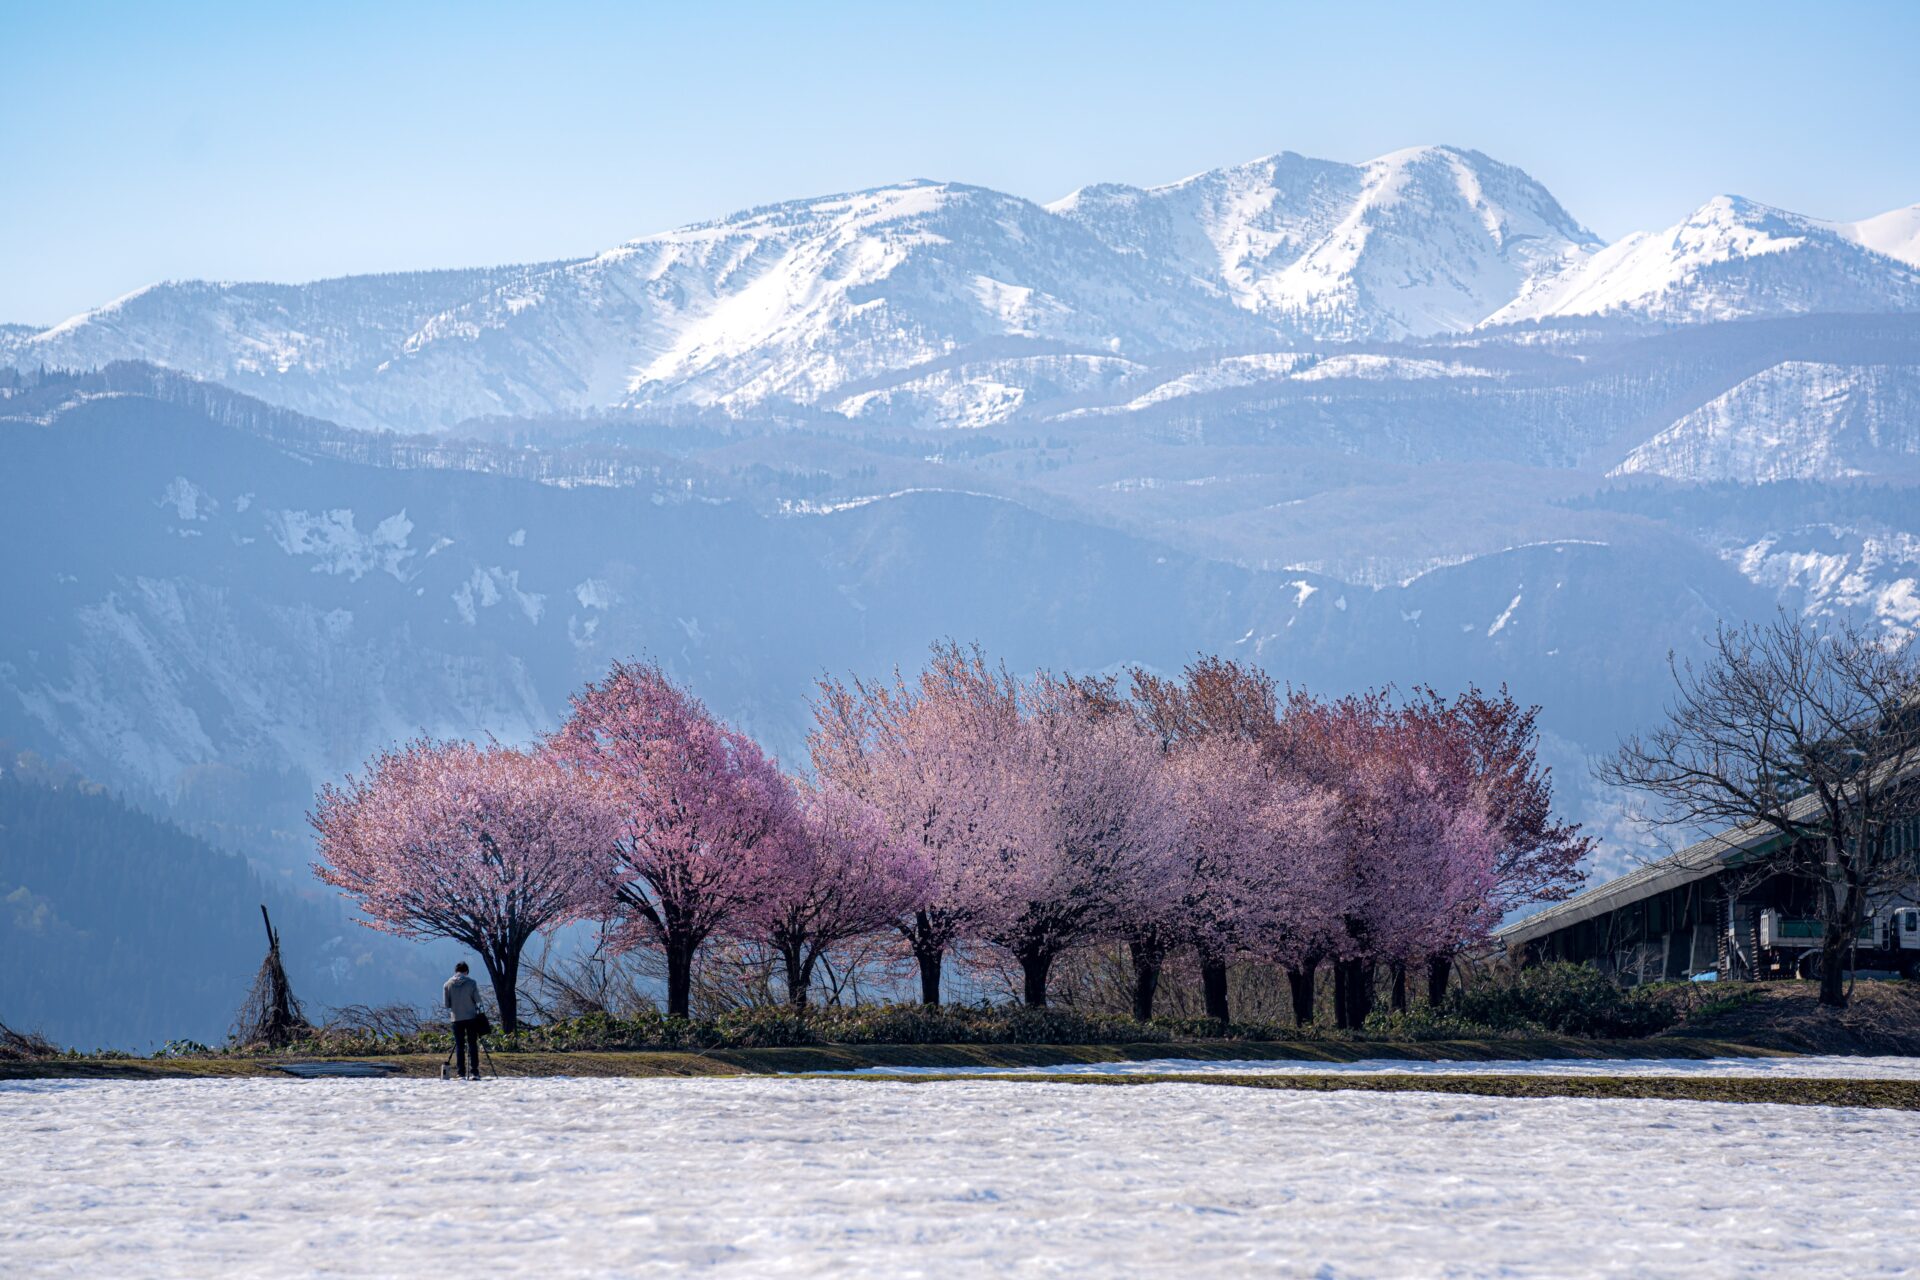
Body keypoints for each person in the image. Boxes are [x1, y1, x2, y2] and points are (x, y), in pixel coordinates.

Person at [444, 961, 484, 1080]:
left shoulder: (447, 984)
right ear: (466, 972)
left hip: (456, 1019)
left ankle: (460, 1073)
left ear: (455, 971)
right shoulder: (471, 983)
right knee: (472, 1045)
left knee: (460, 1046)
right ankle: (474, 1072)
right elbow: (478, 1000)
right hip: (471, 1017)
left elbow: (447, 1004)